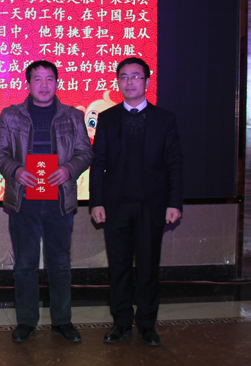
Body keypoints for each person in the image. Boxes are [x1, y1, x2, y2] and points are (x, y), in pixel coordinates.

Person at [0, 60, 93, 343]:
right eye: (38, 79)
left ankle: (62, 321)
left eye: (49, 79)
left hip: (59, 202)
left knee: (60, 264)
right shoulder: (11, 115)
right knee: (25, 265)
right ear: (28, 84)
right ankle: (26, 321)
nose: (44, 85)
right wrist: (15, 170)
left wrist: (68, 169)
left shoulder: (73, 116)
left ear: (57, 83)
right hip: (24, 202)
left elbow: (85, 152)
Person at [89, 57, 184, 347]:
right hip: (116, 206)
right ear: (118, 82)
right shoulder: (107, 118)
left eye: (135, 76)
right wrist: (96, 202)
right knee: (118, 267)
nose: (129, 82)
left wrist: (174, 202)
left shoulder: (164, 119)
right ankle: (120, 323)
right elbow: (98, 163)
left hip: (152, 206)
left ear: (147, 81)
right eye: (124, 77)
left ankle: (146, 324)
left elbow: (174, 164)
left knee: (147, 268)